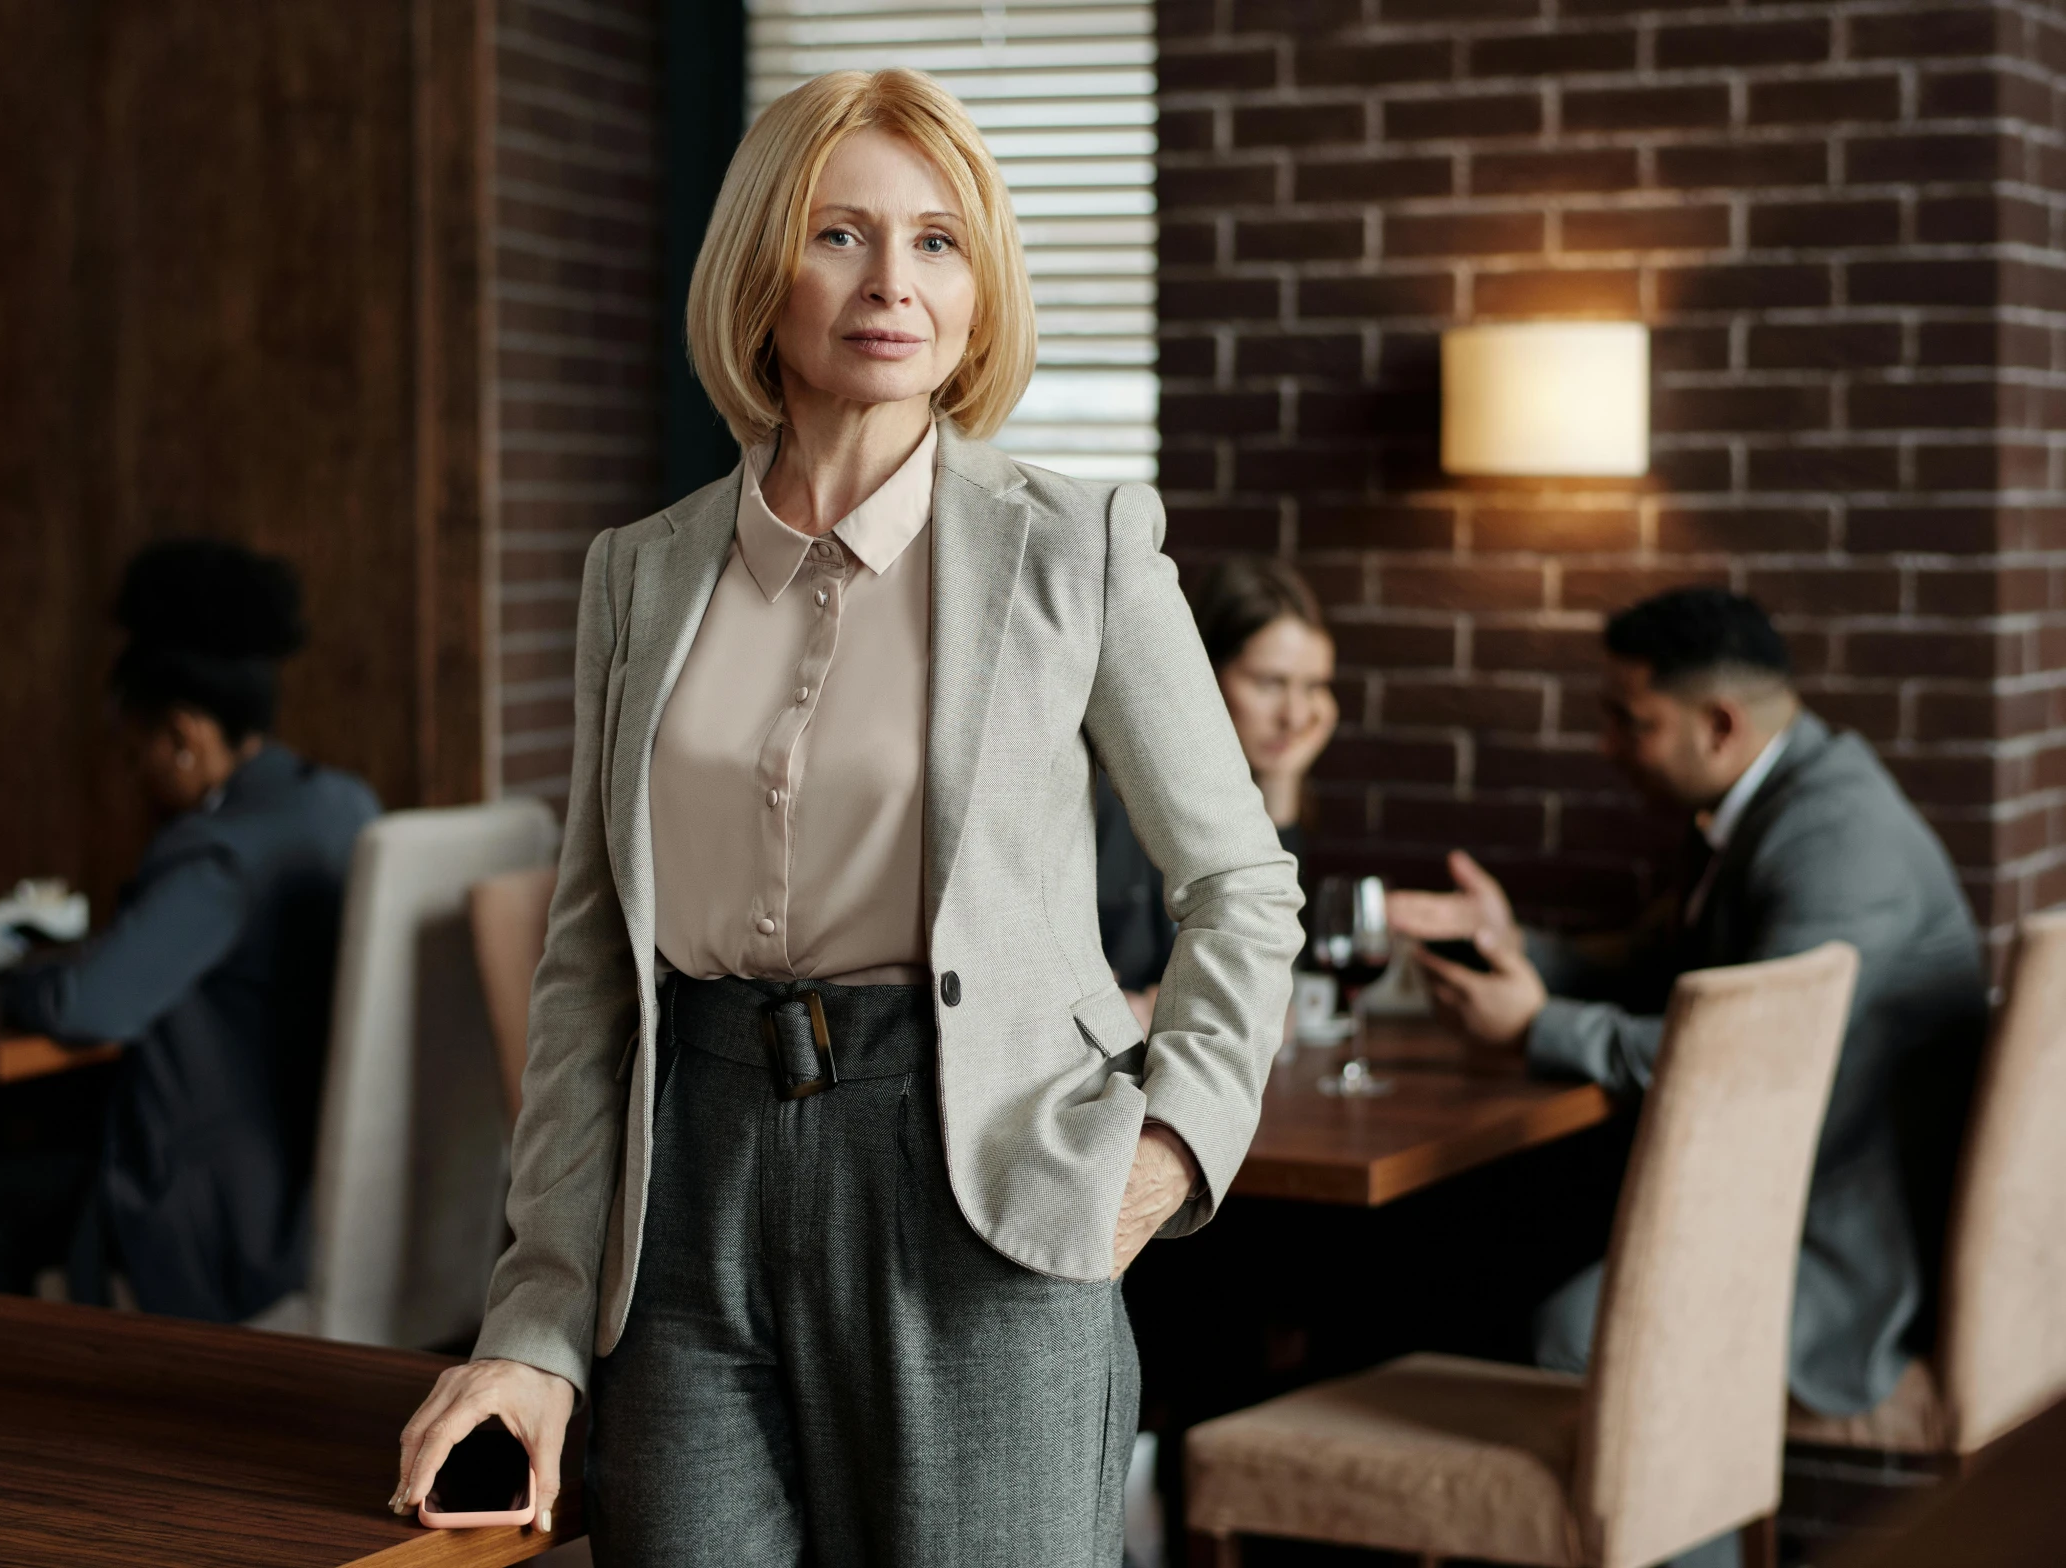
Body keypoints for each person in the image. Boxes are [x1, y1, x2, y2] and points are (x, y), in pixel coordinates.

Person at [391, 68, 1302, 1566]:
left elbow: (1240, 888)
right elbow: (584, 974)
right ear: (761, 267)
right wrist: (535, 1324)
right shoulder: (638, 573)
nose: (894, 283)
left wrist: (1168, 1158)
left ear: (980, 288)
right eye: (840, 235)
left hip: (980, 1197)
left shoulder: (1076, 549)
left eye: (939, 242)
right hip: (687, 1199)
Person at [1391, 588, 1987, 1440]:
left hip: (1847, 1261)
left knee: (1564, 1327)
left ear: (1718, 726)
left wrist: (1535, 1027)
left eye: (1630, 722)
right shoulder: (1774, 799)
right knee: (1482, 1251)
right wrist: (1513, 944)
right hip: (1769, 1195)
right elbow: (1664, 969)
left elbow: (1747, 1057)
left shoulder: (1835, 836)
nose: (1607, 747)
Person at [0, 540, 379, 1323]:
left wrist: (21, 973)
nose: (135, 775)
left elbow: (88, 1008)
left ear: (182, 735)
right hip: (326, 1190)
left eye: (137, 751)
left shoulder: (218, 853)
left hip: (226, 1215)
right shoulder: (341, 803)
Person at [1100, 559, 1333, 1015]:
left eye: (1314, 687)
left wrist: (1281, 785)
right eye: (1270, 683)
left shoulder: (1240, 808)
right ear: (1204, 671)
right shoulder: (1116, 794)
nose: (1296, 716)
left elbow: (1270, 993)